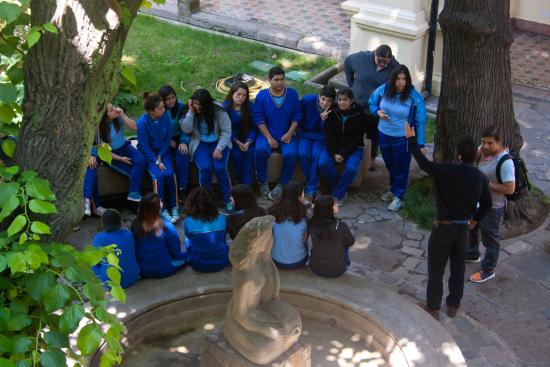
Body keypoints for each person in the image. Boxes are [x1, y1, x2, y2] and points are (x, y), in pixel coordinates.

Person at [405, 124, 492, 320]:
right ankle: (453, 305)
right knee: (458, 268)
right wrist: (474, 220)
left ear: (459, 155)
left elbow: (424, 163)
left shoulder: (446, 170)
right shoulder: (480, 178)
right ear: (475, 155)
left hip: (443, 228)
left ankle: (433, 308)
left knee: (436, 268)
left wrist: (411, 139)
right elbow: (486, 204)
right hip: (463, 229)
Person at [368, 64, 427, 211]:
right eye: (398, 79)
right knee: (389, 164)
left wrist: (420, 143)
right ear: (393, 79)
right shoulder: (383, 89)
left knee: (400, 166)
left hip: (402, 138)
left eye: (404, 79)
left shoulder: (415, 97)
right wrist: (377, 112)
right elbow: (372, 102)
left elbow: (421, 120)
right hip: (383, 134)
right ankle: (394, 189)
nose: (401, 82)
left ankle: (399, 196)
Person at [467, 126, 515, 283]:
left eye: (490, 143)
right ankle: (472, 253)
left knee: (491, 240)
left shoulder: (505, 163)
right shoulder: (483, 150)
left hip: (494, 207)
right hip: (478, 203)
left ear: (499, 142)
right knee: (473, 228)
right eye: (483, 142)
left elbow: (509, 188)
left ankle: (488, 270)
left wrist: (485, 183)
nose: (485, 146)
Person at [83, 103, 145, 217]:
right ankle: (135, 203)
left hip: (125, 147)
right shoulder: (99, 129)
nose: (115, 109)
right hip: (112, 155)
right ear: (105, 116)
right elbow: (103, 152)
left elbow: (136, 128)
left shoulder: (118, 118)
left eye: (114, 106)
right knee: (132, 172)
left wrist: (124, 116)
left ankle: (134, 194)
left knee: (140, 160)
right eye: (111, 110)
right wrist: (121, 159)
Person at [344, 45, 399, 168]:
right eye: (380, 61)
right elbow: (347, 63)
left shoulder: (395, 67)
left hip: (376, 108)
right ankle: (352, 154)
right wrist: (351, 84)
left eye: (386, 62)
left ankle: (371, 157)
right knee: (355, 130)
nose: (383, 64)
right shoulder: (361, 58)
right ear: (374, 54)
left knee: (374, 133)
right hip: (358, 103)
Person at [253, 66, 303, 201]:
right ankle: (262, 182)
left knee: (291, 154)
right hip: (267, 134)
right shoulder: (262, 95)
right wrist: (269, 138)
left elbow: (297, 115)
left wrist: (290, 132)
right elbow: (258, 118)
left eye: (282, 79)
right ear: (269, 80)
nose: (280, 82)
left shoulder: (292, 94)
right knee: (261, 151)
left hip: (287, 134)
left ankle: (283, 184)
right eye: (276, 80)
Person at [180, 89, 233, 212]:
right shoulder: (189, 110)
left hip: (218, 142)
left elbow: (226, 131)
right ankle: (206, 201)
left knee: (220, 168)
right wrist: (190, 112)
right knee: (205, 168)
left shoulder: (218, 110)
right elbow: (186, 129)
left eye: (200, 105)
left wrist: (219, 148)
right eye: (195, 104)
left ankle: (228, 199)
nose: (198, 107)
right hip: (200, 143)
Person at [318, 88, 366, 207]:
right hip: (335, 146)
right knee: (322, 164)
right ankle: (341, 189)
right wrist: (334, 153)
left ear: (351, 101)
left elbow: (358, 138)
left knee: (351, 169)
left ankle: (337, 195)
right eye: (339, 99)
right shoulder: (332, 111)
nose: (341, 103)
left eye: (345, 100)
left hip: (354, 148)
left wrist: (344, 154)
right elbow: (329, 135)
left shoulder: (360, 113)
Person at [137, 93, 179, 223]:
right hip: (149, 155)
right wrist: (156, 160)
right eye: (160, 108)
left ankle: (174, 206)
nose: (164, 110)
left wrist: (160, 156)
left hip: (162, 152)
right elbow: (143, 145)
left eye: (163, 107)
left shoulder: (165, 116)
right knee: (158, 177)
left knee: (169, 174)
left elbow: (167, 138)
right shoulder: (142, 122)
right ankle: (161, 209)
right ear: (151, 111)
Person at [131, 193, 186, 278]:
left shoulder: (135, 225)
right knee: (188, 255)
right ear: (158, 207)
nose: (161, 201)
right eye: (160, 201)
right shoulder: (166, 225)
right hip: (163, 270)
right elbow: (176, 252)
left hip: (143, 270)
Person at [298, 85, 336, 205]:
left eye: (329, 100)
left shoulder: (334, 109)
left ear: (333, 101)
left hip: (320, 137)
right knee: (303, 154)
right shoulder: (308, 100)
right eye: (323, 99)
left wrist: (325, 121)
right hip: (305, 134)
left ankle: (310, 190)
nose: (325, 103)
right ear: (319, 97)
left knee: (316, 155)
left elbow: (330, 131)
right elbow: (297, 114)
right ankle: (312, 184)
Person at [183, 187, 229, 272]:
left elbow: (188, 237)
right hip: (222, 261)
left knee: (188, 239)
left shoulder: (188, 220)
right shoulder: (222, 217)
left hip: (197, 264)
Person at [308, 195, 355, 278]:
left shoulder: (311, 223)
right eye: (335, 204)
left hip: (315, 267)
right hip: (338, 270)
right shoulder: (340, 226)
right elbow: (350, 242)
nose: (337, 205)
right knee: (345, 245)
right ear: (329, 209)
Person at [92, 209, 140, 289]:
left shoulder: (99, 238)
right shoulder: (128, 234)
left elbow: (95, 261)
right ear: (119, 222)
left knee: (93, 260)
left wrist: (98, 274)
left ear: (103, 223)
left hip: (111, 283)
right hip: (133, 277)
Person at [159, 85, 191, 203]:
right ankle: (171, 193)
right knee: (168, 163)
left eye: (173, 97)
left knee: (182, 157)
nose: (171, 101)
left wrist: (183, 141)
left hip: (179, 138)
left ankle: (183, 189)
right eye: (167, 99)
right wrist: (167, 141)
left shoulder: (181, 107)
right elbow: (157, 130)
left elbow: (185, 127)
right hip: (164, 141)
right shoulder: (159, 110)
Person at [267, 182, 308, 269]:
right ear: (299, 197)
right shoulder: (305, 216)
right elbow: (304, 240)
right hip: (299, 261)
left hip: (275, 260)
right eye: (303, 194)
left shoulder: (272, 212)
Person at [223, 82, 256, 186]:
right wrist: (237, 142)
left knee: (249, 157)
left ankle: (248, 186)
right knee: (237, 157)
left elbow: (254, 126)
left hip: (247, 140)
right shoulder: (225, 107)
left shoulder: (250, 107)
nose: (241, 97)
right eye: (238, 94)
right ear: (232, 93)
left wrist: (248, 142)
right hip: (232, 140)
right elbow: (225, 129)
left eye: (244, 95)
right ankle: (239, 185)